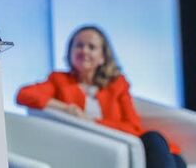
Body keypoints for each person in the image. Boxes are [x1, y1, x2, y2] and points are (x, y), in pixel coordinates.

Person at [16, 25, 185, 168]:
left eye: (91, 47)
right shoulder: (59, 80)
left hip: (128, 145)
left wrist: (92, 121)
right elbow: (24, 95)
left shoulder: (117, 84)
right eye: (79, 45)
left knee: (174, 158)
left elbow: (132, 126)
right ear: (70, 52)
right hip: (96, 147)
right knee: (158, 144)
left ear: (102, 57)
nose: (84, 51)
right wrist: (67, 108)